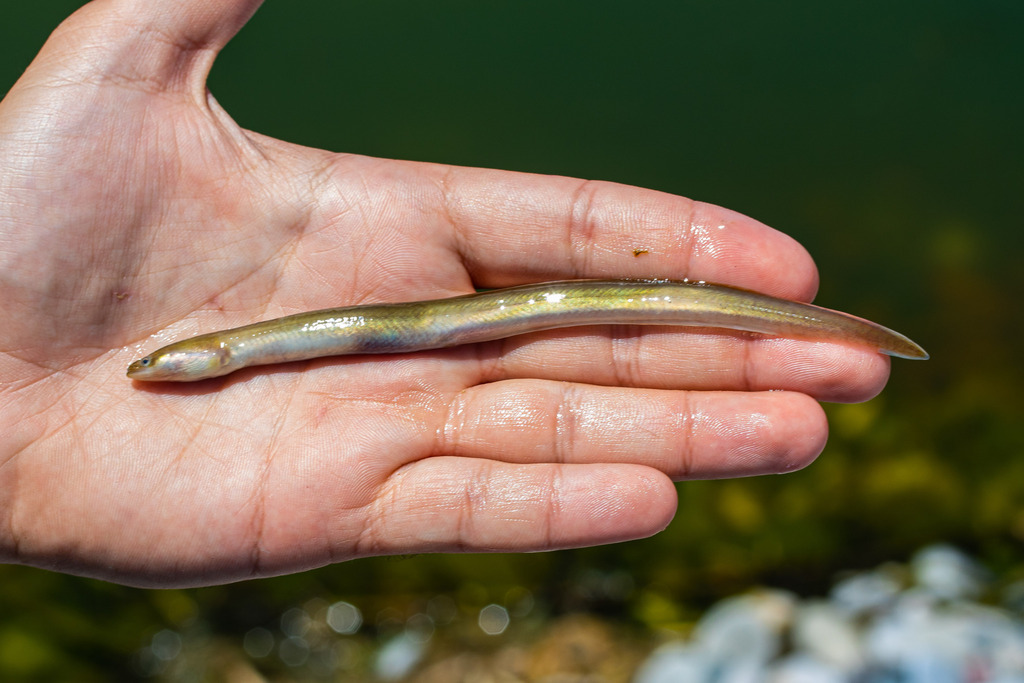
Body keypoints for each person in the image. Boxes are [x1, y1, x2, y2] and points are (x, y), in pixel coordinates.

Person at [0, 0, 890, 588]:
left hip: (482, 316)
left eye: (161, 361)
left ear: (207, 355)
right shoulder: (205, 360)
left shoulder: (223, 350)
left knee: (643, 310)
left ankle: (836, 329)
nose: (157, 369)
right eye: (164, 366)